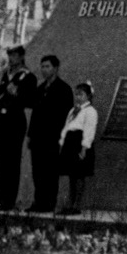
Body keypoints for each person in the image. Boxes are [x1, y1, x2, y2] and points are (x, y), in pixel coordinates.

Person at [0, 46, 36, 211]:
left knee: (11, 161)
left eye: (14, 55)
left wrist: (17, 95)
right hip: (2, 120)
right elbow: (0, 94)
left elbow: (31, 101)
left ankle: (8, 200)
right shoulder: (6, 74)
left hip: (15, 121)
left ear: (21, 57)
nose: (11, 58)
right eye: (9, 55)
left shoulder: (28, 77)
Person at [27, 54, 75, 213]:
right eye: (42, 66)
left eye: (47, 66)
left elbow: (66, 115)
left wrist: (62, 136)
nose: (44, 70)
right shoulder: (40, 89)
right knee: (37, 171)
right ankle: (38, 201)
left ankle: (48, 203)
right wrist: (30, 134)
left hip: (53, 137)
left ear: (55, 68)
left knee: (50, 171)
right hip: (38, 137)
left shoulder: (64, 89)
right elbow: (35, 114)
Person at [57, 81, 98, 215]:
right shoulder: (73, 110)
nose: (78, 97)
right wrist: (62, 142)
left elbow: (89, 130)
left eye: (81, 94)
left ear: (88, 96)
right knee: (71, 175)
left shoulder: (90, 111)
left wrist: (84, 148)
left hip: (80, 143)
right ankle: (70, 203)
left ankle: (76, 205)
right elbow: (67, 126)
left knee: (79, 174)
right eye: (76, 94)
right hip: (70, 143)